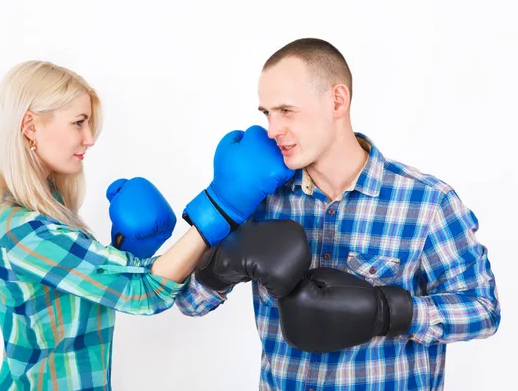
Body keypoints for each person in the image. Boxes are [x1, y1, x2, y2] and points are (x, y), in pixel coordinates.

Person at [175, 38, 501, 390]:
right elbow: (190, 304)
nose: (272, 130)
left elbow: (483, 310)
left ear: (337, 100)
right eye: (266, 113)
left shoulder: (426, 202)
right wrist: (220, 268)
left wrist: (388, 312)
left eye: (286, 110)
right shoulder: (263, 201)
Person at [0, 60, 293, 390]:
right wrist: (221, 205)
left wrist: (123, 252)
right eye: (78, 123)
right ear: (30, 126)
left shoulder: (23, 199)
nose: (89, 138)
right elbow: (144, 294)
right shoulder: (23, 230)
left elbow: (74, 291)